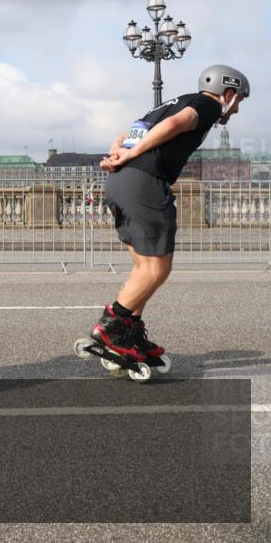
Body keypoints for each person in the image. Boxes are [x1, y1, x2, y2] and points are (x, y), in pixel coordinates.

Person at [91, 64, 249, 365]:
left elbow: (126, 132)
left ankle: (129, 331)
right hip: (144, 182)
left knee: (143, 268)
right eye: (239, 99)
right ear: (227, 93)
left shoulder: (172, 101)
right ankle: (110, 328)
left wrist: (117, 152)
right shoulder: (207, 105)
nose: (237, 108)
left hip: (120, 182)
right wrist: (132, 154)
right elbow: (179, 123)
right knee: (157, 269)